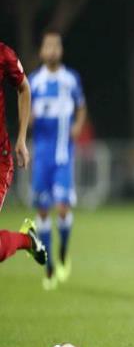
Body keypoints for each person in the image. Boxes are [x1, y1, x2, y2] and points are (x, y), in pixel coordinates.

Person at [29, 30, 87, 290]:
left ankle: (63, 248)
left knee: (63, 208)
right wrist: (26, 122)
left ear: (61, 50)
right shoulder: (34, 81)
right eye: (48, 46)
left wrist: (78, 125)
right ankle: (50, 264)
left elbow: (81, 107)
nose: (52, 50)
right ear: (42, 51)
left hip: (63, 155)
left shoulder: (70, 79)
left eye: (56, 45)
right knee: (42, 210)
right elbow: (25, 110)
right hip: (42, 156)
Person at [0, 41, 47, 267]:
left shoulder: (3, 54)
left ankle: (27, 240)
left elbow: (24, 87)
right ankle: (28, 239)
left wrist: (21, 138)